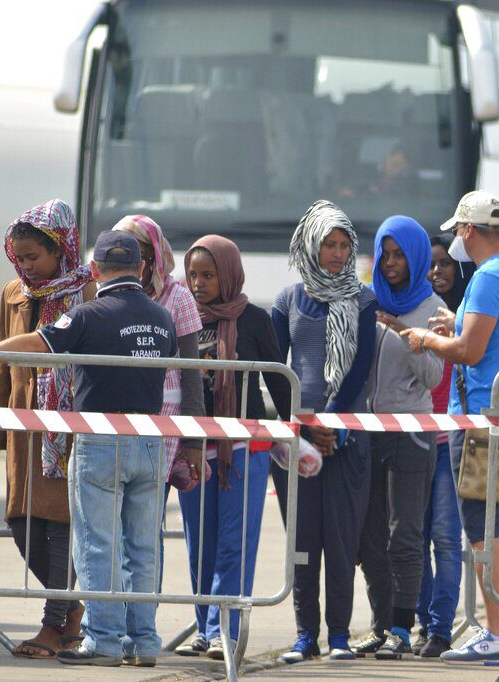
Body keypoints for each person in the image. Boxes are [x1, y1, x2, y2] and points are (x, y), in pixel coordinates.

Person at [0, 231, 178, 666]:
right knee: (144, 547)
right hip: (150, 442)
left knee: (96, 543)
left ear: (97, 271)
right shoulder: (163, 318)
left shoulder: (90, 314)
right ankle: (143, 643)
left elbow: (36, 343)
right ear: (141, 269)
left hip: (101, 442)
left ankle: (102, 640)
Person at [0, 200, 95, 660]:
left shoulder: (87, 293)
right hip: (23, 428)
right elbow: (2, 371)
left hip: (69, 430)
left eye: (34, 257)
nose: (26, 267)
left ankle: (54, 625)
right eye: (19, 258)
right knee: (22, 524)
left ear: (61, 248)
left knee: (61, 524)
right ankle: (71, 612)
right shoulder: (13, 294)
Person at [400, 190, 499, 665]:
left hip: (480, 417)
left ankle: (497, 633)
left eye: (458, 231)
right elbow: (492, 337)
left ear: (468, 231)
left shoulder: (486, 278)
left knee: (482, 530)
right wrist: (456, 322)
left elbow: (469, 353)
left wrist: (424, 339)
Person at [173, 235, 295, 660]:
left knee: (233, 543)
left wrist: (298, 429)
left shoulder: (255, 320)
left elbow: (280, 383)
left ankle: (226, 628)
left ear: (228, 274)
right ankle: (204, 629)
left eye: (208, 275)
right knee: (199, 544)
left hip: (243, 451)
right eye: (193, 275)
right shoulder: (183, 320)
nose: (199, 283)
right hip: (193, 451)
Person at [270, 200, 377, 663]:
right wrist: (303, 429)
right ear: (310, 246)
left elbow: (359, 371)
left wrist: (332, 423)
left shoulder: (363, 299)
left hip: (347, 435)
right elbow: (277, 372)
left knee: (341, 540)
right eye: (327, 244)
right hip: (299, 435)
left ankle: (338, 635)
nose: (336, 253)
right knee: (303, 541)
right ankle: (303, 635)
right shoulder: (287, 299)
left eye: (343, 245)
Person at [353, 216, 444, 660]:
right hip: (368, 433)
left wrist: (407, 333)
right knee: (370, 536)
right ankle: (378, 625)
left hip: (412, 432)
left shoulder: (435, 309)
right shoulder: (367, 300)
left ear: (416, 257)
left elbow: (432, 377)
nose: (390, 264)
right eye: (385, 255)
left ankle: (403, 628)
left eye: (399, 255)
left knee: (404, 534)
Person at [112, 216, 204, 495]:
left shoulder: (179, 298)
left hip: (163, 420)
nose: (126, 262)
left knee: (147, 523)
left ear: (151, 256)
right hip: (115, 418)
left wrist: (193, 443)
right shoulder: (107, 296)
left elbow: (190, 372)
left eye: (134, 253)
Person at [412, 233, 473, 658]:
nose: (438, 271)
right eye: (431, 264)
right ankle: (421, 621)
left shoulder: (472, 313)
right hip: (413, 437)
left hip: (452, 439)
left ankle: (440, 630)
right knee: (413, 537)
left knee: (446, 538)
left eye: (445, 263)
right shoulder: (411, 308)